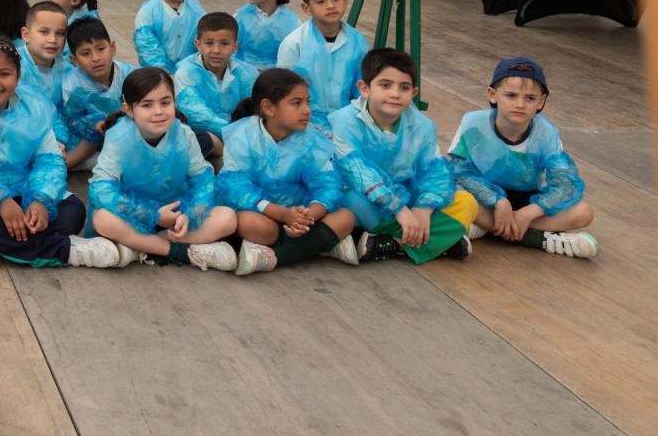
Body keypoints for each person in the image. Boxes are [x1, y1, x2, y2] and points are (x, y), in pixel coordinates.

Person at [0, 36, 120, 269]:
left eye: (4, 73)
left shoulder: (33, 105)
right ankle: (66, 251)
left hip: (24, 190)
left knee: (73, 210)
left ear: (17, 76)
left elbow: (49, 160)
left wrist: (41, 199)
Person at [328, 49, 478, 263]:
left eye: (404, 87)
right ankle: (435, 240)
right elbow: (357, 173)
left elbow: (435, 171)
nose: (395, 94)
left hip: (408, 196)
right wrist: (399, 209)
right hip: (367, 195)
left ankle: (390, 244)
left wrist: (423, 208)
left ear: (414, 92)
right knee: (349, 200)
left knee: (467, 202)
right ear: (364, 88)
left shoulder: (422, 126)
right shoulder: (345, 121)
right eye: (385, 85)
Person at [87, 68, 238, 271]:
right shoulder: (118, 137)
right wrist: (151, 214)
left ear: (174, 102)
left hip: (176, 215)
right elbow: (100, 188)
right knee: (102, 219)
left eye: (165, 102)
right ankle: (180, 252)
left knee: (227, 218)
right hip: (134, 213)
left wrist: (189, 213)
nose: (158, 111)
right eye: (147, 105)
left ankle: (141, 246)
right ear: (128, 109)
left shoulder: (184, 134)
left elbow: (204, 181)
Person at [449, 58, 598, 258]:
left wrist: (530, 213)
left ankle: (487, 227)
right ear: (492, 95)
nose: (520, 104)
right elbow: (458, 172)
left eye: (530, 98)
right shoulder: (472, 123)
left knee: (583, 212)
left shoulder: (546, 133)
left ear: (541, 101)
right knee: (450, 193)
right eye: (511, 95)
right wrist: (498, 202)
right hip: (482, 195)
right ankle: (540, 238)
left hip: (526, 200)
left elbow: (566, 184)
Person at [219, 69, 360, 275]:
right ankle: (322, 244)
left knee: (346, 217)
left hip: (300, 213)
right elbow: (236, 186)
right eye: (297, 103)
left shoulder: (312, 139)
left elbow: (328, 184)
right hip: (262, 212)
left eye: (307, 102)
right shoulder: (243, 135)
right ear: (268, 107)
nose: (307, 111)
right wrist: (280, 213)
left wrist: (308, 215)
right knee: (248, 223)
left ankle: (273, 256)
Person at [276, 0, 370, 134]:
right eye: (320, 1)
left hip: (349, 123)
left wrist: (351, 123)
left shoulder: (359, 42)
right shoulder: (294, 43)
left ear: (345, 1)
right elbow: (282, 92)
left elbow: (363, 90)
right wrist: (304, 123)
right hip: (304, 124)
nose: (331, 5)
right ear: (307, 8)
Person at [172, 12, 258, 156]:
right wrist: (234, 134)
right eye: (209, 43)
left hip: (239, 134)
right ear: (198, 44)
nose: (216, 50)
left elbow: (253, 110)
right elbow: (196, 114)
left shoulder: (248, 73)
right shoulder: (186, 72)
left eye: (224, 44)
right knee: (203, 140)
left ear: (235, 46)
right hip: (204, 133)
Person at [61, 18, 134, 172]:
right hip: (94, 138)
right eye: (85, 53)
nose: (95, 58)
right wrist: (92, 125)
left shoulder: (131, 75)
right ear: (74, 60)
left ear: (112, 48)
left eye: (101, 49)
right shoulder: (72, 84)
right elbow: (73, 119)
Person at [15, 1, 73, 149]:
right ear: (26, 35)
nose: (53, 40)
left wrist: (59, 139)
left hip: (56, 132)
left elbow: (66, 112)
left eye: (60, 33)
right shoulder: (11, 66)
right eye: (44, 32)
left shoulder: (68, 70)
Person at [235, 0, 299, 72]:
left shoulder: (292, 23)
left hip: (276, 76)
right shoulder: (240, 16)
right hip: (243, 72)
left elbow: (295, 56)